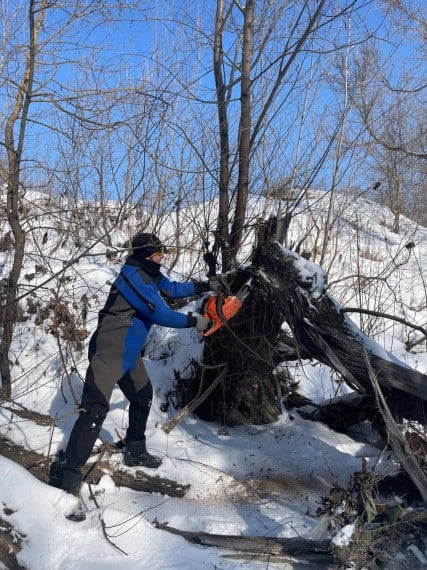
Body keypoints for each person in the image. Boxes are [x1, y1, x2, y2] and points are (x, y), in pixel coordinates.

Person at [49, 232, 215, 496]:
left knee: (142, 396)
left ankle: (135, 451)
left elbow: (171, 289)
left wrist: (205, 286)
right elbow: (160, 313)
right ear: (146, 255)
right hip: (109, 350)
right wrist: (197, 322)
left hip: (129, 353)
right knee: (94, 410)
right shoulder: (133, 276)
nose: (162, 258)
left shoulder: (148, 272)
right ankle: (69, 475)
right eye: (159, 253)